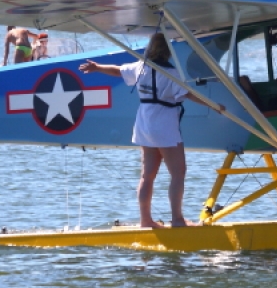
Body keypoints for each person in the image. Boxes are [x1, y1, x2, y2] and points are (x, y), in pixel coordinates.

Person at [79, 33, 223, 228]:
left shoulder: (140, 67)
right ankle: (177, 219)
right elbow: (188, 94)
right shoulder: (171, 73)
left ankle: (145, 220)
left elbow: (117, 70)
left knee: (147, 175)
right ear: (167, 51)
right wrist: (213, 105)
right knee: (178, 173)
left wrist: (97, 67)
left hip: (144, 123)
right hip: (164, 125)